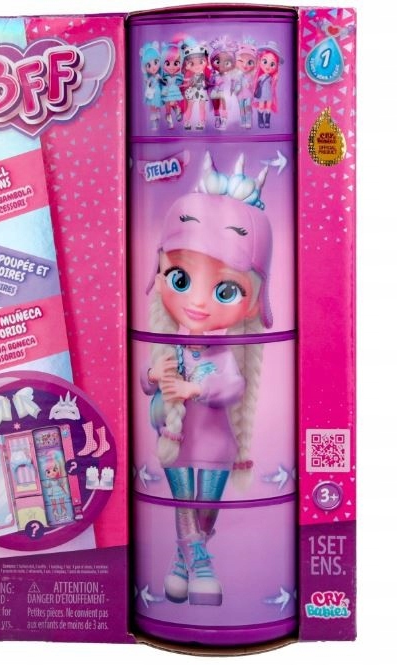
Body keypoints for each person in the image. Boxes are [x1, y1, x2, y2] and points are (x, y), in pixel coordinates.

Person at [142, 151, 272, 606]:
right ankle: (196, 565)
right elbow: (148, 384)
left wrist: (195, 387)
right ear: (160, 273)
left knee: (205, 512)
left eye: (225, 290)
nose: (197, 303)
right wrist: (154, 374)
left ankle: (185, 560)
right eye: (181, 279)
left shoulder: (223, 351)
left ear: (253, 302)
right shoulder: (168, 343)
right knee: (182, 505)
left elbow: (232, 386)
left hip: (216, 446)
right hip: (173, 440)